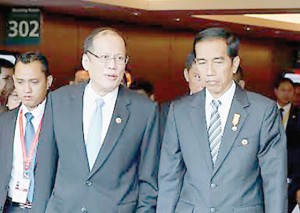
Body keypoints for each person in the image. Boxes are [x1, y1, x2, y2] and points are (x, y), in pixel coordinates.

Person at [157, 27, 287, 213]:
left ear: (234, 64)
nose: (209, 71)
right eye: (202, 62)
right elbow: (170, 176)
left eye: (217, 62)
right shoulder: (180, 111)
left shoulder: (262, 111)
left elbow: (274, 180)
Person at [45, 27, 159, 213]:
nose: (112, 65)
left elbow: (149, 179)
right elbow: (46, 166)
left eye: (119, 58)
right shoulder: (59, 101)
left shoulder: (144, 110)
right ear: (86, 61)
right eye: (104, 57)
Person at [0, 52, 57, 213]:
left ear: (48, 82)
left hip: (45, 208)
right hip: (9, 206)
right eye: (20, 82)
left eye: (34, 82)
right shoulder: (4, 122)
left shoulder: (60, 121)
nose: (27, 89)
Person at [274, 77, 300, 212]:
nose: (287, 93)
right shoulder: (268, 111)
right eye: (283, 90)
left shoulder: (298, 114)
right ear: (276, 91)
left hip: (292, 169)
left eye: (290, 90)